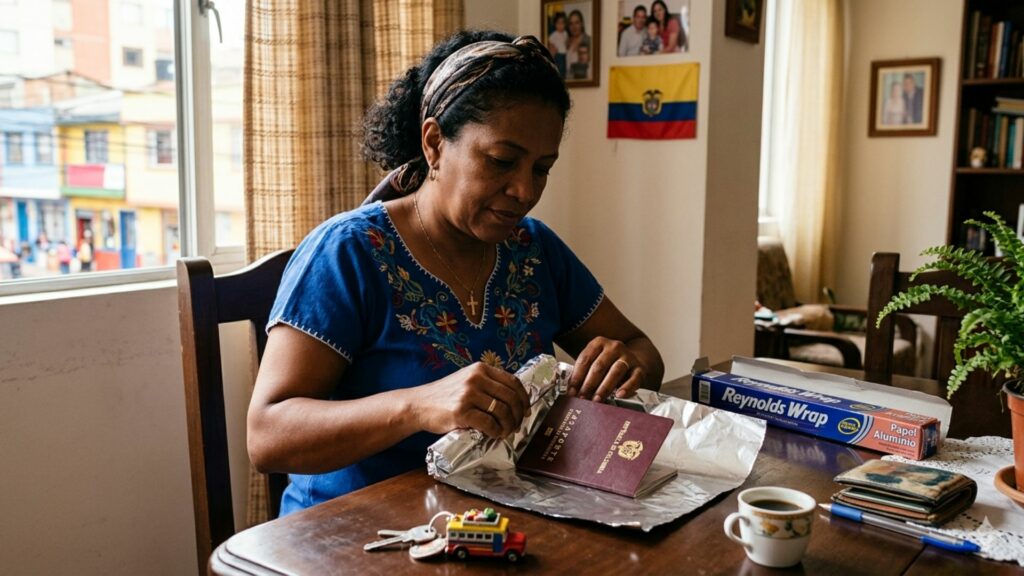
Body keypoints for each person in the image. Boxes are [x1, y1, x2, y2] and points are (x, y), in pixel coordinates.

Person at [248, 30, 665, 516]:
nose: (524, 190)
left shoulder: (533, 248)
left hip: (493, 521)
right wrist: (417, 405)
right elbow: (267, 436)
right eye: (502, 161)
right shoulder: (350, 253)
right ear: (434, 143)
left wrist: (622, 363)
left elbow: (644, 351)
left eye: (542, 168)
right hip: (349, 534)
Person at [566, 10, 591, 78]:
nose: (574, 27)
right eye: (571, 23)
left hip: (582, 81)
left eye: (577, 23)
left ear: (582, 24)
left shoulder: (589, 41)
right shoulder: (566, 42)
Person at [547, 12, 568, 77]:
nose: (561, 25)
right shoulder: (554, 35)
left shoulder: (565, 33)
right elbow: (551, 44)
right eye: (558, 23)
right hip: (557, 54)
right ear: (555, 24)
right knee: (559, 68)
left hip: (564, 54)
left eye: (562, 23)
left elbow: (566, 43)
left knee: (564, 68)